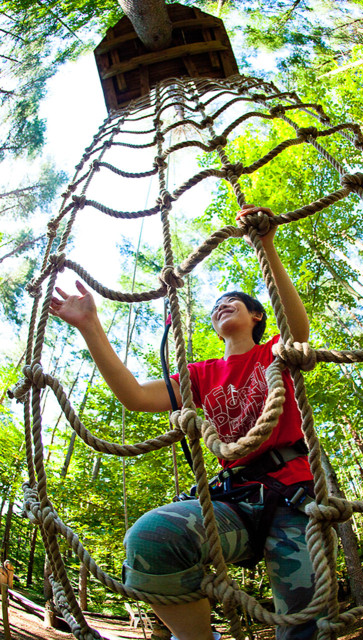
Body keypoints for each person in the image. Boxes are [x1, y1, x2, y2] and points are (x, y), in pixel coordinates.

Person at [49, 211, 316, 640]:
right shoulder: (199, 376)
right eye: (216, 305)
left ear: (257, 317)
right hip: (231, 501)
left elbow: (297, 329)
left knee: (305, 624)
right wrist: (90, 326)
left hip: (294, 494)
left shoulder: (274, 355)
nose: (222, 305)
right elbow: (134, 396)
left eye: (235, 301)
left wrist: (265, 246)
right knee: (152, 539)